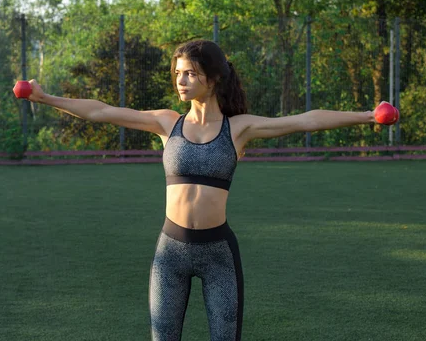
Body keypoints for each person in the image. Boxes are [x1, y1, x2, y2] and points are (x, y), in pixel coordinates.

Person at [24, 39, 389, 341]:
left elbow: (305, 121)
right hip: (170, 254)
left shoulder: (240, 128)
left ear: (213, 79)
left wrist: (367, 116)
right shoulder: (167, 123)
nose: (181, 80)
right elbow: (101, 111)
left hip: (218, 255)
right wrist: (46, 98)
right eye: (178, 73)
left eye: (190, 73)